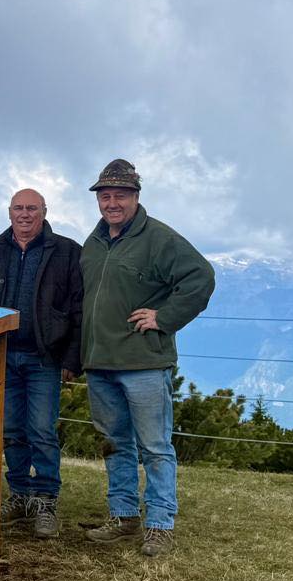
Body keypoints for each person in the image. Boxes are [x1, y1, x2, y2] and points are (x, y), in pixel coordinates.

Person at [81, 159, 215, 557]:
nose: (111, 202)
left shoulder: (159, 238)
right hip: (100, 362)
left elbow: (201, 277)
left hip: (144, 363)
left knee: (155, 447)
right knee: (114, 444)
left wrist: (164, 318)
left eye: (120, 195)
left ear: (136, 197)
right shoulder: (93, 243)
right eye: (105, 195)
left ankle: (159, 524)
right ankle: (123, 517)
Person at [0, 188, 83, 539]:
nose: (25, 214)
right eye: (18, 208)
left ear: (45, 212)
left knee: (41, 431)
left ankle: (46, 499)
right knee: (10, 430)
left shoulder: (66, 252)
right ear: (9, 213)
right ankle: (20, 495)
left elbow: (78, 309)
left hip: (44, 357)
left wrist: (71, 358)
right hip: (1, 355)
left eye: (32, 208)